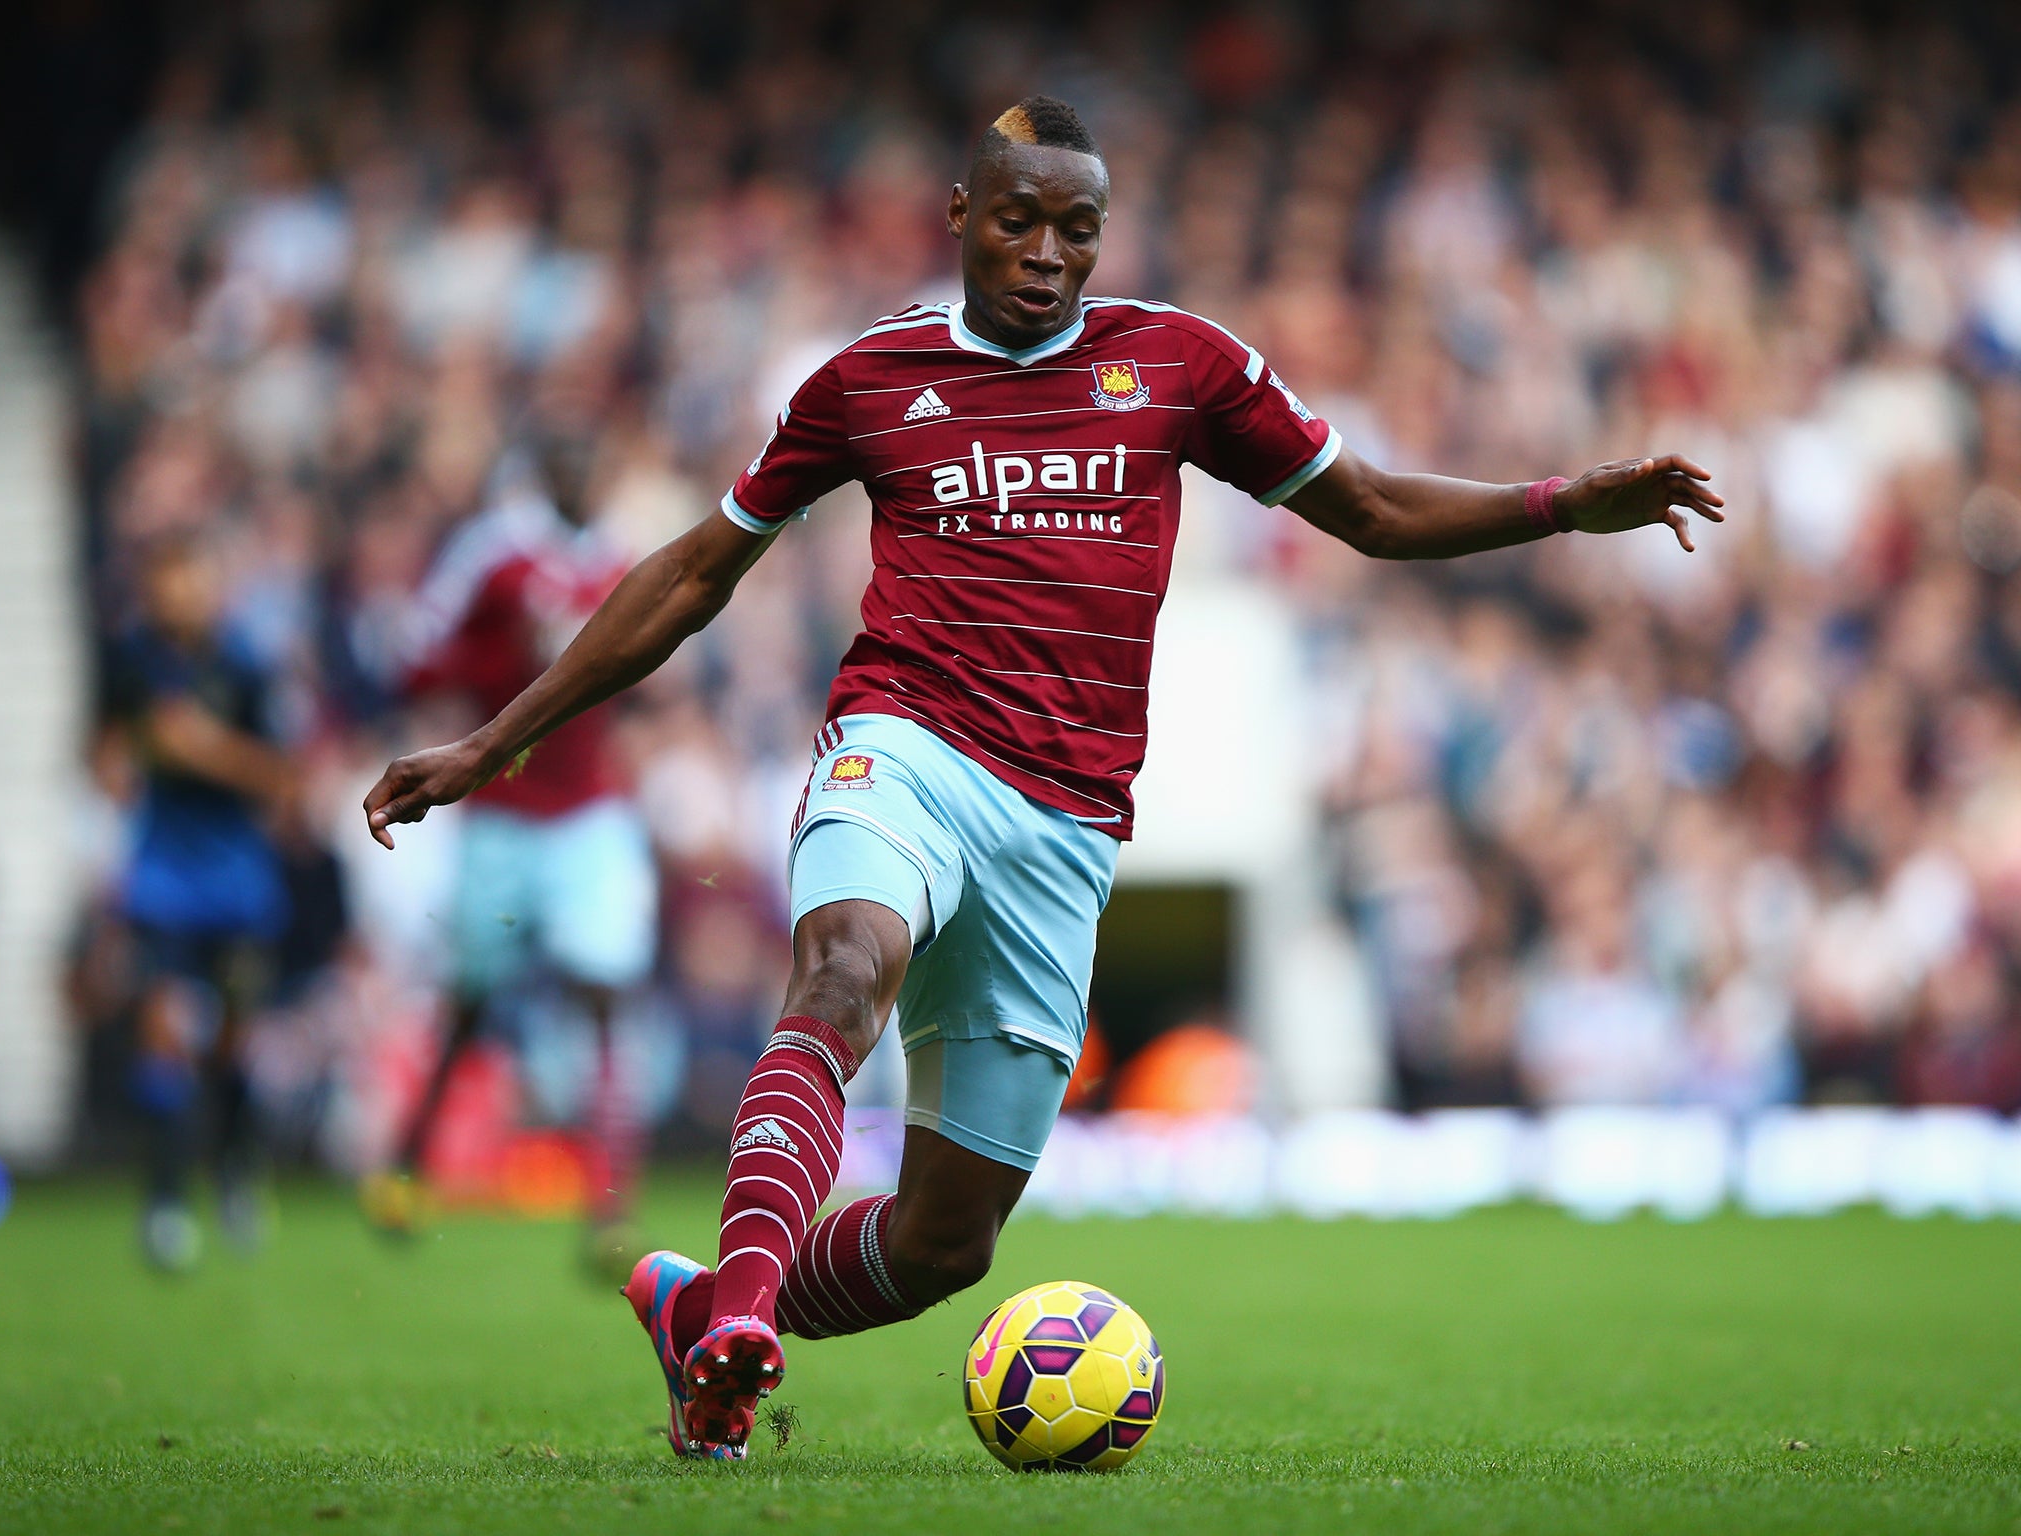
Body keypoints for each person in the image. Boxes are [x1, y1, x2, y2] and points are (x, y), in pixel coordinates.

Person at [362, 96, 1723, 1456]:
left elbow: (1367, 511)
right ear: (962, 215)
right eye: (1019, 221)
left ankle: (702, 1310)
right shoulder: (867, 382)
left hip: (1064, 824)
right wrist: (499, 739)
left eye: (1078, 229)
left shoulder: (1182, 366)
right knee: (841, 969)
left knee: (946, 1242)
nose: (1048, 254)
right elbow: (691, 575)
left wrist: (1558, 505)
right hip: (899, 745)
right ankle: (743, 1332)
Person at [358, 422, 657, 1278]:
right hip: (500, 811)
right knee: (470, 998)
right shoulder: (495, 553)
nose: (578, 478)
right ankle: (406, 1167)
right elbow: (416, 655)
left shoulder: (618, 556)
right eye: (563, 462)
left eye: (586, 463)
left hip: (591, 810)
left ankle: (611, 1202)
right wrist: (495, 658)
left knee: (606, 989)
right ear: (540, 474)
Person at [111, 530, 297, 1270]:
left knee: (231, 1041)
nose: (175, 593)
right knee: (161, 1030)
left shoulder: (246, 666)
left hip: (236, 881)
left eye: (187, 576)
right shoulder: (131, 661)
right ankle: (162, 1202)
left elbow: (283, 773)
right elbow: (112, 746)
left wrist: (204, 750)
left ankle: (234, 1171)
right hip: (161, 876)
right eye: (164, 579)